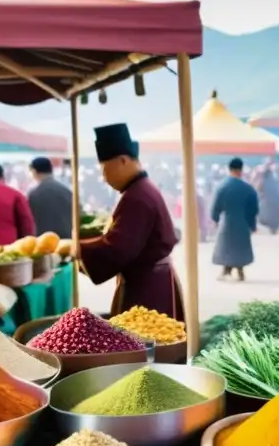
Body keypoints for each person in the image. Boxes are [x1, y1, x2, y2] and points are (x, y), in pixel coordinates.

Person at [77, 124, 184, 320]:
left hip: (148, 290)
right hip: (151, 281)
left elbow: (118, 248)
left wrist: (77, 249)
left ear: (123, 161)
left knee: (146, 346)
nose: (104, 178)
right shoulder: (139, 190)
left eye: (104, 170)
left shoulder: (137, 196)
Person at [211, 158, 260, 281]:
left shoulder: (222, 186)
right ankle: (240, 272)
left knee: (226, 247)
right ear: (241, 170)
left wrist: (215, 219)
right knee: (240, 247)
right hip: (243, 223)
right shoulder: (248, 188)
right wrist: (252, 224)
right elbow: (253, 209)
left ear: (229, 169)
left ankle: (225, 271)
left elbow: (216, 206)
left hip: (226, 222)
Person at [27, 157, 73, 238]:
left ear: (34, 171)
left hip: (44, 241)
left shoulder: (34, 194)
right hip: (67, 239)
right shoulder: (67, 191)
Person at [256, 164, 279, 235]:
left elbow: (259, 190)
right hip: (276, 202)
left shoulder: (262, 181)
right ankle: (274, 228)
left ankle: (271, 228)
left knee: (266, 215)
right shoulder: (276, 181)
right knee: (274, 216)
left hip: (266, 202)